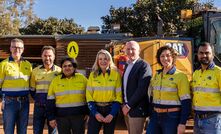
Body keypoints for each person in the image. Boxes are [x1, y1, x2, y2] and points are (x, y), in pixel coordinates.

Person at [146, 45, 191, 134]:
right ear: (159, 58)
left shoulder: (181, 76)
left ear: (173, 57)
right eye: (162, 56)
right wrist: (151, 115)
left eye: (168, 55)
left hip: (172, 117)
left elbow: (186, 101)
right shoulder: (157, 75)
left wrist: (182, 123)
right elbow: (152, 98)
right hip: (155, 116)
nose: (165, 58)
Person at [47, 57, 88, 134]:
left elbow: (89, 96)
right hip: (61, 118)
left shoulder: (82, 79)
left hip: (79, 117)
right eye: (64, 66)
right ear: (62, 68)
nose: (67, 68)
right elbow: (50, 101)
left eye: (70, 65)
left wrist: (88, 112)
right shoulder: (56, 80)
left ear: (74, 67)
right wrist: (51, 118)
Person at [0, 38, 32, 134]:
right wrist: (3, 98)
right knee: (9, 130)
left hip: (25, 102)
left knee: (22, 131)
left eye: (19, 47)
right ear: (10, 48)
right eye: (14, 47)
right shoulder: (3, 64)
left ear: (23, 49)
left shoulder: (28, 65)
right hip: (9, 103)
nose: (16, 49)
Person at [86, 49, 122, 134]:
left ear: (109, 60)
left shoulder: (116, 75)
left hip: (110, 109)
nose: (103, 61)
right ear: (97, 61)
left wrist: (112, 114)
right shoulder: (92, 75)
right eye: (100, 59)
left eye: (105, 59)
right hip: (96, 109)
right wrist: (95, 113)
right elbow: (89, 96)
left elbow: (119, 96)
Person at [122, 41, 152, 134]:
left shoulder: (144, 65)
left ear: (139, 51)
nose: (130, 51)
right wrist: (124, 104)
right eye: (128, 49)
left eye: (133, 49)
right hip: (127, 108)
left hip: (137, 110)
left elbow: (142, 89)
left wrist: (128, 105)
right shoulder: (127, 65)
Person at [30, 46, 61, 134]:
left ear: (54, 56)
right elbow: (32, 90)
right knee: (37, 131)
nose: (47, 58)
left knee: (53, 132)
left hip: (54, 108)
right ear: (42, 56)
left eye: (50, 56)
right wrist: (39, 100)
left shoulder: (60, 72)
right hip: (39, 107)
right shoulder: (35, 71)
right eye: (45, 55)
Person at [192, 42, 221, 134]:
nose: (204, 55)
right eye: (201, 53)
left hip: (213, 120)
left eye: (207, 53)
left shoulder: (218, 72)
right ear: (197, 55)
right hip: (197, 119)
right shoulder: (196, 73)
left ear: (213, 55)